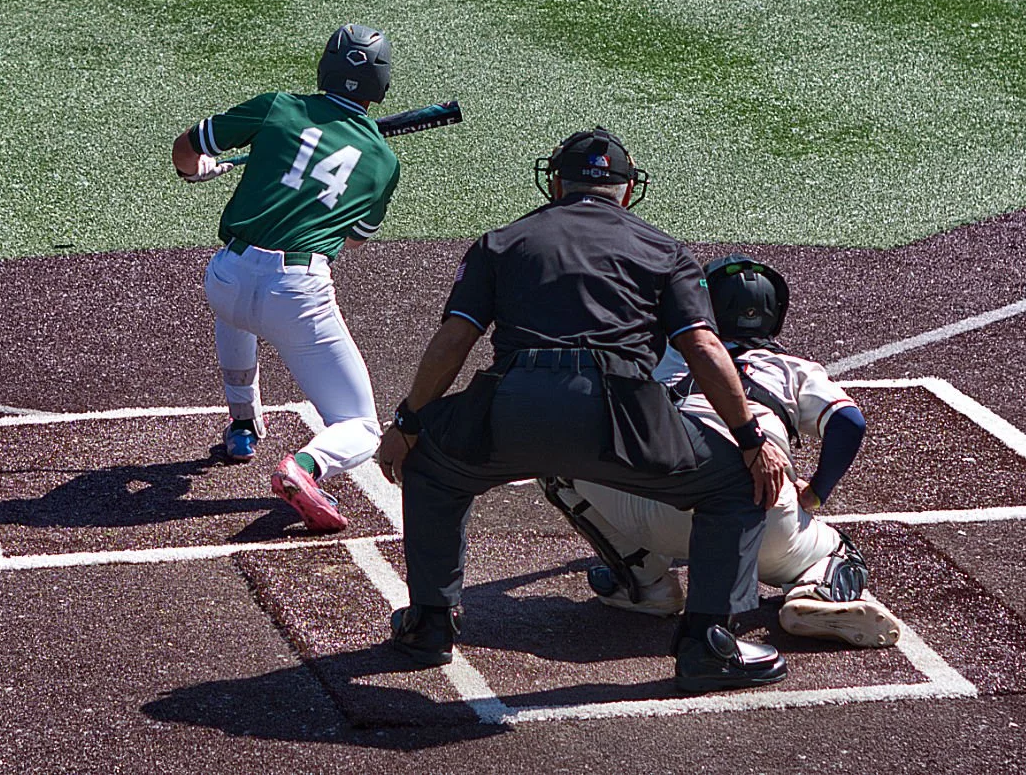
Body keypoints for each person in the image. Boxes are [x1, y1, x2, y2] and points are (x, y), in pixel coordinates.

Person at [374, 128, 795, 694]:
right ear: (627, 190)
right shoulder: (665, 249)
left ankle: (429, 624)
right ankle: (709, 644)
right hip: (623, 418)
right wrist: (750, 440)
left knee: (430, 461)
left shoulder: (501, 242)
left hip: (512, 409)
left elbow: (454, 340)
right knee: (735, 484)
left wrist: (407, 424)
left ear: (556, 184)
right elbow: (702, 348)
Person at [544, 253, 902, 649]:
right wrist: (816, 492)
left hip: (653, 508)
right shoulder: (793, 370)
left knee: (558, 466)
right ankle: (815, 591)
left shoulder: (661, 355)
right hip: (761, 517)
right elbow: (849, 423)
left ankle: (643, 582)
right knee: (838, 551)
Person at [171, 24, 401, 533]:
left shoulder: (278, 107)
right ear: (381, 85)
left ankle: (243, 423)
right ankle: (306, 467)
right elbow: (353, 241)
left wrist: (196, 170)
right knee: (361, 425)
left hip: (225, 278)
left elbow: (185, 148)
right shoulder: (383, 162)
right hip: (297, 292)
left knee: (237, 310)